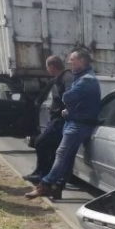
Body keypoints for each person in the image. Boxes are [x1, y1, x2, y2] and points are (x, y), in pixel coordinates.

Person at [25, 48, 101, 199]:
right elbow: (81, 101)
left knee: (61, 153)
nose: (69, 62)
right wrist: (69, 110)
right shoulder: (83, 78)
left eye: (72, 59)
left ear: (81, 61)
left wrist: (68, 103)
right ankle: (57, 188)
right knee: (67, 157)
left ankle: (45, 185)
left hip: (78, 124)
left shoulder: (86, 80)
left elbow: (68, 97)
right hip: (75, 120)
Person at [23, 56, 74, 184]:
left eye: (47, 67)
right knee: (50, 148)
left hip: (60, 120)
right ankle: (43, 174)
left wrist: (66, 109)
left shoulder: (67, 77)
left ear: (52, 66)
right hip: (55, 119)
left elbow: (71, 95)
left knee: (40, 143)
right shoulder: (57, 80)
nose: (47, 70)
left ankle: (42, 174)